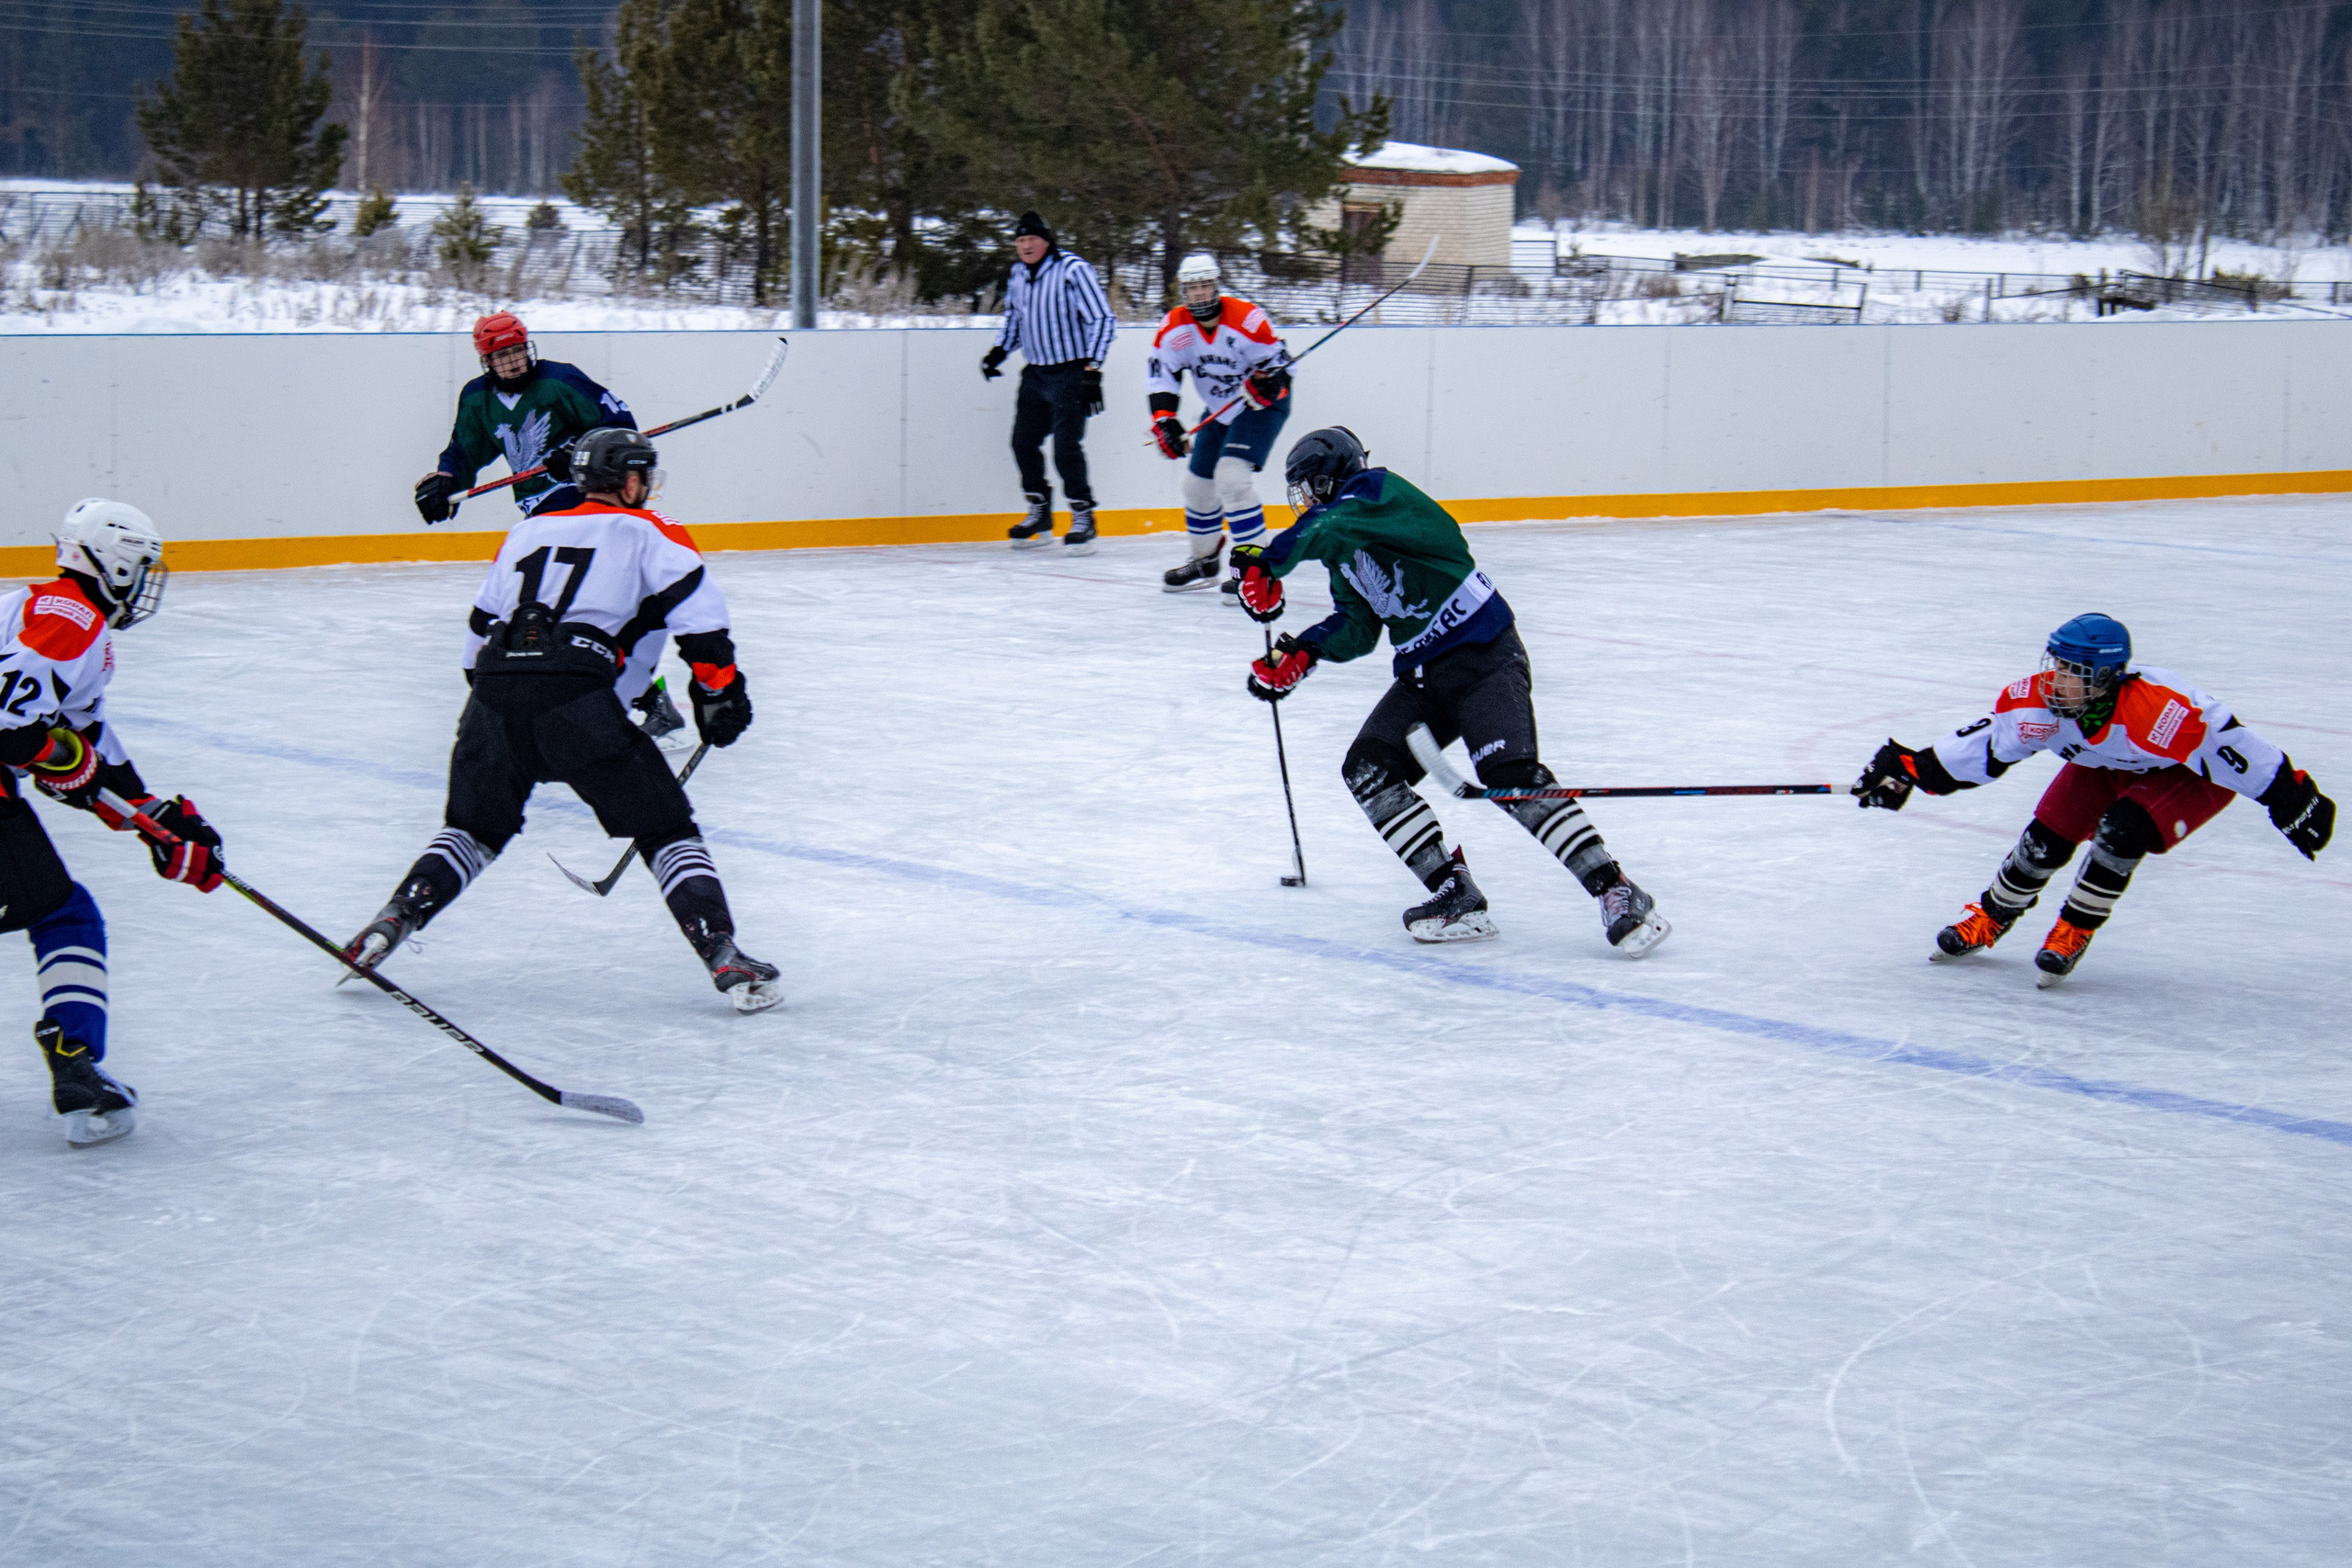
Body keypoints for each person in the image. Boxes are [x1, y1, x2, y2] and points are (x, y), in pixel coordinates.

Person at [346, 429, 782, 1013]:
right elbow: (703, 626)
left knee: (474, 830)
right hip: (577, 700)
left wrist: (508, 711)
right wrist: (718, 694)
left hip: (493, 697)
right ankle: (723, 953)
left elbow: (476, 638)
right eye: (643, 476)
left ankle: (393, 920)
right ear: (630, 480)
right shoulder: (653, 531)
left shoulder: (527, 531)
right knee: (665, 831)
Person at [1231, 428, 1669, 956]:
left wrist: (1268, 559)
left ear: (1334, 480)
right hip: (1425, 677)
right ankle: (1454, 892)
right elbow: (1359, 625)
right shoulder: (1339, 545)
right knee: (1368, 769)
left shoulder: (1378, 492)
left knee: (1510, 777)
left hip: (1484, 656)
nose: (1305, 505)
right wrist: (1302, 651)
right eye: (1297, 496)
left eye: (1309, 491)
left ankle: (1618, 889)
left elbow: (1333, 520)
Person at [1852, 613, 2334, 985]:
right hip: (2105, 763)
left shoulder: (2163, 712)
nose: (2057, 679)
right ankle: (1991, 916)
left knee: (2121, 831)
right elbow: (1985, 747)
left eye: (2073, 670)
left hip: (2185, 777)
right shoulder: (2037, 705)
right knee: (2045, 838)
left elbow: (2231, 749)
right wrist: (1912, 772)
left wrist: (2290, 797)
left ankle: (2075, 928)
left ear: (2105, 676)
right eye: (2056, 664)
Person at [0, 500, 226, 1145]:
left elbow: (87, 748)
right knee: (65, 916)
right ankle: (75, 1065)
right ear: (117, 564)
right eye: (142, 567)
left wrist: (156, 817)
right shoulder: (73, 618)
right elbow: (15, 728)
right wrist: (58, 758)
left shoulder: (45, 611)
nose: (146, 582)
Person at [410, 314, 685, 745]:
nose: (514, 362)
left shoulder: (560, 381)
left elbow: (621, 427)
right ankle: (643, 701)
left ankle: (608, 703)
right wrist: (446, 482)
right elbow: (465, 450)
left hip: (584, 501)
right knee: (550, 615)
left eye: (518, 351)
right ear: (486, 360)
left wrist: (580, 452)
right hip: (539, 516)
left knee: (559, 611)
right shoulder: (477, 398)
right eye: (502, 356)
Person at [1148, 252, 1294, 597]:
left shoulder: (1247, 318)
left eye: (1204, 286)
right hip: (1220, 409)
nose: (1199, 294)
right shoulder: (1173, 328)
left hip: (1260, 405)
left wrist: (1271, 383)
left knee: (1231, 478)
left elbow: (1283, 369)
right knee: (1197, 488)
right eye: (1191, 288)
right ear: (1183, 291)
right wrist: (1165, 421)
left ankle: (1258, 568)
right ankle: (1204, 561)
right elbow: (1161, 377)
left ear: (1216, 286)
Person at [980, 212, 1117, 556]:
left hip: (1071, 373)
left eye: (1032, 240)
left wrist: (1092, 370)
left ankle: (1083, 516)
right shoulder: (1017, 274)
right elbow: (1015, 317)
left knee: (1065, 448)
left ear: (1047, 240)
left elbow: (1102, 319)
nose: (1026, 246)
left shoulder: (1073, 271)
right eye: (1020, 241)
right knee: (1022, 442)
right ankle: (1040, 510)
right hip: (1036, 373)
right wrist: (999, 351)